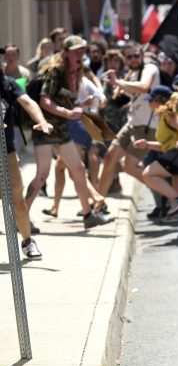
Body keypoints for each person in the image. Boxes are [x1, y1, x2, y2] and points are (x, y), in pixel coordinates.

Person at [25, 36, 113, 229]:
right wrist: (68, 112)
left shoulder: (76, 73)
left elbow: (65, 101)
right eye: (76, 51)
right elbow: (45, 101)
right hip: (45, 128)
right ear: (66, 54)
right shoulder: (56, 72)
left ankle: (88, 215)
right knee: (42, 175)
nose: (81, 54)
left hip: (62, 129)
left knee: (79, 169)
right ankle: (21, 217)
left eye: (83, 50)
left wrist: (81, 105)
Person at [0, 47, 53, 258]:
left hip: (7, 153)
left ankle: (28, 241)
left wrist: (41, 121)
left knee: (18, 203)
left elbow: (28, 102)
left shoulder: (7, 84)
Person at [133, 86, 178, 238]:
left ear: (158, 100)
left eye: (151, 100)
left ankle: (176, 200)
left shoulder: (168, 113)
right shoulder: (163, 117)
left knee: (148, 174)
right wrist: (147, 144)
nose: (149, 103)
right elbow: (166, 146)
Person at [97, 44, 161, 207]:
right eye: (130, 57)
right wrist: (116, 84)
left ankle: (164, 192)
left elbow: (144, 87)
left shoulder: (150, 68)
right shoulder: (132, 74)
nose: (133, 59)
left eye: (136, 56)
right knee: (110, 157)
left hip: (148, 127)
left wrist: (119, 81)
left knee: (129, 167)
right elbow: (133, 94)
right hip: (132, 123)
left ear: (141, 56)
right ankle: (99, 204)